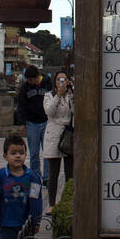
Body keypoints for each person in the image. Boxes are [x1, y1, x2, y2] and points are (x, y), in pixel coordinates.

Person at [42, 72, 75, 208]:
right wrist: (59, 95)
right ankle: (51, 204)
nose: (61, 82)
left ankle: (68, 202)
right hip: (53, 134)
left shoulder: (70, 96)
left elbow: (76, 111)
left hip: (67, 135)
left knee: (70, 172)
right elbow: (49, 112)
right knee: (53, 173)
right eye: (59, 80)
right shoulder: (48, 96)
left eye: (64, 79)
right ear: (55, 82)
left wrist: (72, 95)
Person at [16, 66, 50, 182]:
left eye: (31, 80)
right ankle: (35, 176)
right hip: (32, 123)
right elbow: (21, 106)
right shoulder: (25, 88)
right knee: (34, 152)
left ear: (37, 77)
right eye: (28, 80)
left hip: (46, 121)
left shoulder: (46, 83)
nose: (29, 82)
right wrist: (21, 123)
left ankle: (47, 177)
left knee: (47, 151)